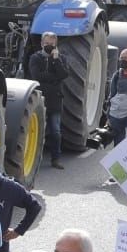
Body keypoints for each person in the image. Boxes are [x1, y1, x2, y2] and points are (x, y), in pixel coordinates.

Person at [26, 33, 72, 168]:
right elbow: (36, 75)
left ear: (56, 44)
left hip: (55, 100)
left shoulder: (61, 58)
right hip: (39, 99)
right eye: (46, 44)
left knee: (56, 132)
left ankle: (55, 159)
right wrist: (54, 77)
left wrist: (55, 59)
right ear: (41, 44)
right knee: (37, 130)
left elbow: (64, 74)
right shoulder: (35, 58)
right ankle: (34, 158)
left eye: (51, 44)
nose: (48, 46)